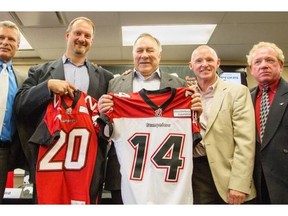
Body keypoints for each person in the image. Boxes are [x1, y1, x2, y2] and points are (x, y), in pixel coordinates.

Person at [14, 17, 114, 204]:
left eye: (87, 35)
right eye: (78, 33)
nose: (82, 38)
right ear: (68, 35)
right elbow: (20, 105)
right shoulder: (40, 72)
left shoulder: (105, 77)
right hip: (49, 161)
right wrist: (47, 86)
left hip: (87, 163)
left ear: (92, 41)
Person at [98, 33, 203, 204]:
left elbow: (189, 136)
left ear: (159, 55)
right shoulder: (115, 85)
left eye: (150, 50)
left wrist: (196, 112)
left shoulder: (180, 85)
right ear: (133, 55)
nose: (144, 55)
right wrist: (103, 112)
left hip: (167, 176)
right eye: (139, 50)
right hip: (127, 173)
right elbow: (106, 132)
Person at [188, 45, 256, 204]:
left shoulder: (238, 92)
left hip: (229, 173)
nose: (204, 64)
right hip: (196, 174)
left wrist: (239, 184)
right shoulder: (185, 95)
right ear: (191, 66)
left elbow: (245, 141)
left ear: (218, 63)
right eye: (199, 61)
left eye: (209, 60)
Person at [247, 42, 288, 204]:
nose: (263, 65)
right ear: (251, 69)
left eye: (270, 60)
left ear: (280, 65)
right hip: (256, 183)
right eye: (258, 62)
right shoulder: (245, 98)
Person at [0, 20, 29, 204]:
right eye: (1, 37)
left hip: (3, 152)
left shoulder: (22, 79)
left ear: (17, 46)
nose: (5, 42)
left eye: (11, 39)